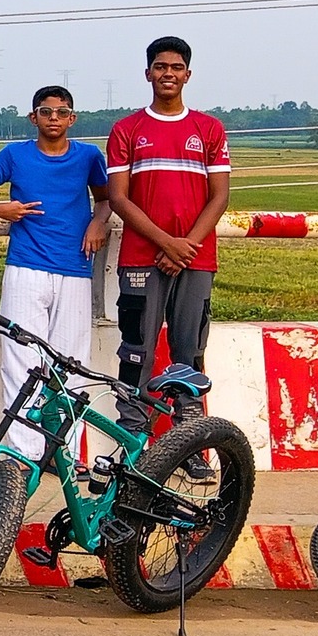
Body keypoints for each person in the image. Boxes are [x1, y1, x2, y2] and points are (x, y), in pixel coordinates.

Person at [106, 36, 229, 481]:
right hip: (142, 257)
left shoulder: (209, 129)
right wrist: (166, 242)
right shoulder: (127, 130)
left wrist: (185, 246)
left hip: (195, 259)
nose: (168, 74)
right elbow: (118, 198)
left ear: (188, 74)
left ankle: (190, 447)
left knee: (188, 353)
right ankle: (133, 445)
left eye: (176, 67)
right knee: (136, 350)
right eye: (160, 67)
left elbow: (220, 197)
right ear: (148, 74)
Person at [0, 84, 111, 461]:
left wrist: (99, 223)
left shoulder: (88, 157)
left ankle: (65, 452)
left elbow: (105, 199)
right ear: (33, 117)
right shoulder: (14, 155)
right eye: (46, 112)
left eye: (61, 112)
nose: (54, 118)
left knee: (71, 363)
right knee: (20, 360)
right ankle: (24, 453)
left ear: (72, 118)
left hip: (75, 269)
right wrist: (2, 210)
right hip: (25, 267)